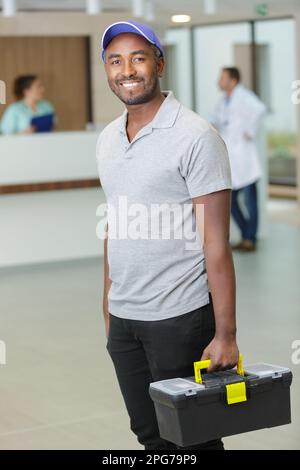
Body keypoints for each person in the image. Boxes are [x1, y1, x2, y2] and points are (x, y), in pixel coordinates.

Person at [96, 20, 239, 451]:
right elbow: (114, 222)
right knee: (148, 434)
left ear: (159, 63)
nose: (127, 70)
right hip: (124, 317)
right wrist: (107, 305)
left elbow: (215, 241)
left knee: (191, 438)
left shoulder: (196, 136)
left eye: (138, 58)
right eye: (115, 60)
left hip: (179, 316)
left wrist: (226, 332)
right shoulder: (107, 139)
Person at [211, 67, 266, 252]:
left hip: (245, 158)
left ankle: (250, 239)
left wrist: (250, 131)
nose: (219, 80)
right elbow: (216, 120)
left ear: (232, 81)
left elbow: (260, 109)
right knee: (231, 202)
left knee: (251, 203)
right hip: (232, 159)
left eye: (222, 77)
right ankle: (246, 235)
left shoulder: (244, 96)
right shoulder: (223, 101)